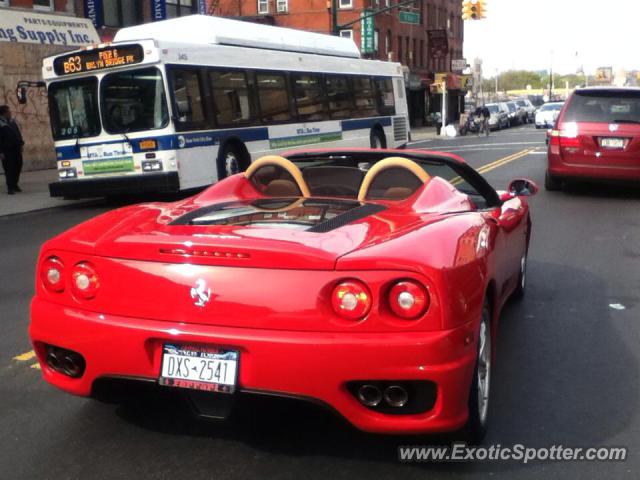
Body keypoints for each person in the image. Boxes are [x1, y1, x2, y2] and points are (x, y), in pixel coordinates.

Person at [0, 105, 25, 195]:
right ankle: (10, 187)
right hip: (7, 151)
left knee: (18, 165)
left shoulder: (12, 122)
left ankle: (15, 184)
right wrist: (1, 152)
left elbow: (18, 133)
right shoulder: (1, 124)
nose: (10, 113)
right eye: (8, 112)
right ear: (4, 113)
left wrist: (21, 143)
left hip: (16, 148)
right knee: (9, 169)